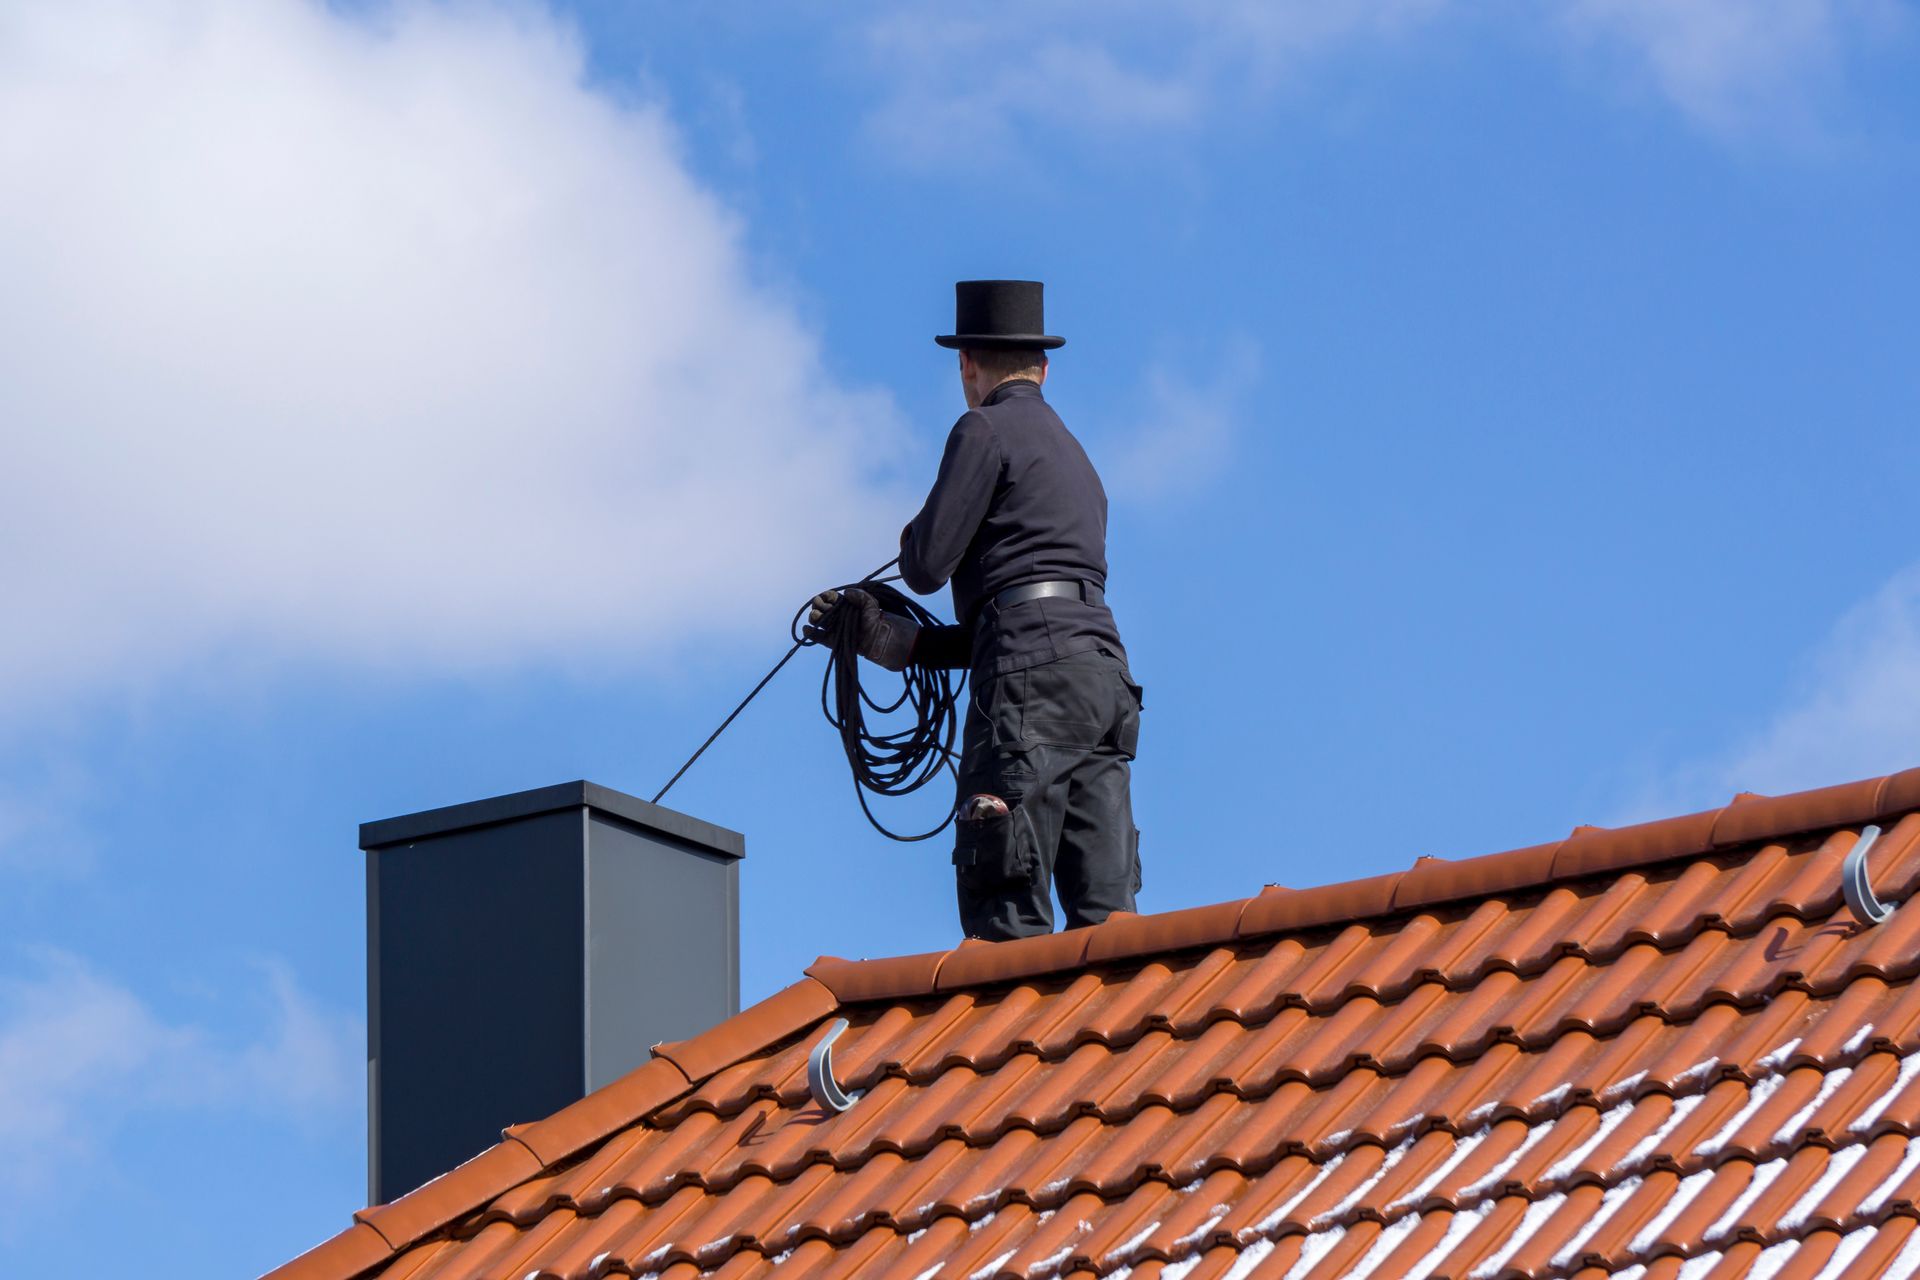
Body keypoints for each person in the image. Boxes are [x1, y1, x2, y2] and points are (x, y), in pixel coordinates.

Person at [811, 280, 1142, 940]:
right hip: (1103, 682)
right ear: (1043, 368)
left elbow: (927, 566)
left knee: (1006, 912)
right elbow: (1017, 621)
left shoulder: (982, 428)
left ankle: (1014, 1042)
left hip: (1030, 692)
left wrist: (913, 537)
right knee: (1110, 930)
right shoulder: (1077, 460)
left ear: (967, 365)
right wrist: (899, 645)